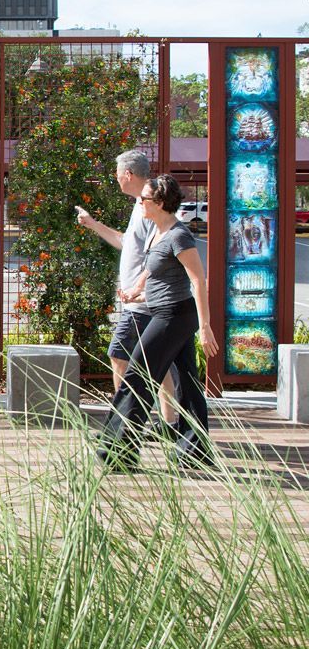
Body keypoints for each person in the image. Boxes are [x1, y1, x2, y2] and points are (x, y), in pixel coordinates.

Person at [97, 174, 219, 471]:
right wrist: (136, 290)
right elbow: (153, 267)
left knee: (137, 376)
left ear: (161, 203)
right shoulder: (157, 230)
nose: (140, 203)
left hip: (175, 316)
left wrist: (205, 327)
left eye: (145, 199)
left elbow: (198, 280)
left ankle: (118, 450)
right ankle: (195, 452)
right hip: (163, 312)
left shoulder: (179, 235)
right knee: (189, 384)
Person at [76, 149, 178, 436]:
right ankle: (170, 423)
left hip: (142, 304)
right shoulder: (141, 205)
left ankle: (125, 424)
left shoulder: (149, 207)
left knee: (119, 357)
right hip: (143, 301)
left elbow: (158, 252)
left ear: (129, 174)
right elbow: (126, 242)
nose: (116, 178)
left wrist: (139, 289)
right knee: (159, 364)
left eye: (118, 173)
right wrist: (93, 224)